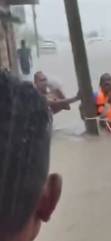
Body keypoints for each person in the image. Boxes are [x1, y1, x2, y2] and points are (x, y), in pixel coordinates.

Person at [0, 71, 62, 241]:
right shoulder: (35, 107)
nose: (44, 82)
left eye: (45, 79)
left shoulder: (43, 99)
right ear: (48, 201)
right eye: (41, 80)